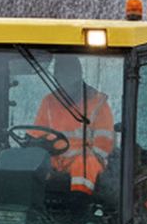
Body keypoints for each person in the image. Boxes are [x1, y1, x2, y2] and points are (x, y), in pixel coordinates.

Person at [35, 54, 116, 196]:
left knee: (84, 164)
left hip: (86, 161)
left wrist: (76, 157)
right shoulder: (48, 102)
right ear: (55, 77)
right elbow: (35, 137)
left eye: (68, 75)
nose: (64, 82)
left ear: (78, 75)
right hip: (55, 161)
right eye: (60, 76)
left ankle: (79, 202)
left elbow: (103, 145)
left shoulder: (97, 103)